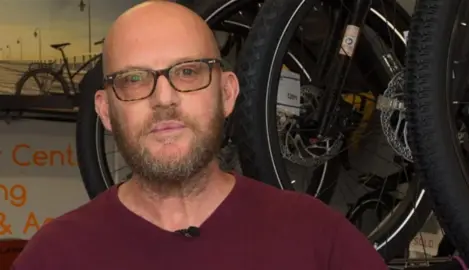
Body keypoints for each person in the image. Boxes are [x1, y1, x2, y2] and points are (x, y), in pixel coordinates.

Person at [11, 1, 388, 269]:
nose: (164, 99)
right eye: (134, 79)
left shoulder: (319, 239)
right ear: (106, 111)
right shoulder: (54, 256)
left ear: (226, 93)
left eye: (188, 72)